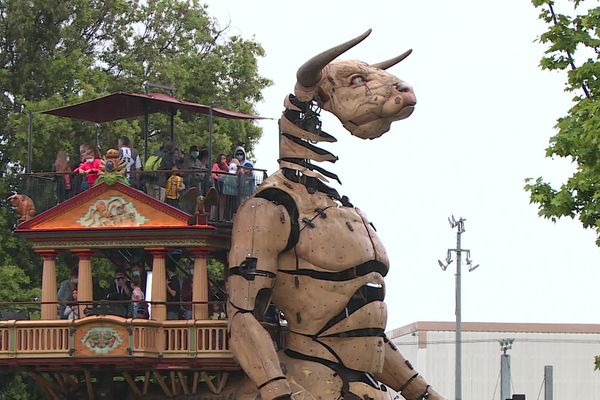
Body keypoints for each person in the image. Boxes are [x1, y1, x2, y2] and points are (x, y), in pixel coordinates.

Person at [210, 154, 229, 220]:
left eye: (224, 158)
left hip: (223, 184)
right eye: (222, 158)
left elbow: (228, 172)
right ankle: (212, 217)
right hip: (216, 183)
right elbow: (213, 174)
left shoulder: (226, 166)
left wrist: (225, 165)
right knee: (214, 201)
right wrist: (218, 178)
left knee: (222, 202)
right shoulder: (216, 165)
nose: (223, 160)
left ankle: (221, 218)